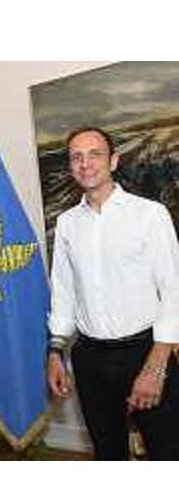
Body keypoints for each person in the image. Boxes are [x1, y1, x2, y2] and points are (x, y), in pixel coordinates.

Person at [47, 126, 179, 460]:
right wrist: (56, 350)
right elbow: (63, 290)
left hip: (145, 352)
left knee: (167, 451)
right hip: (89, 358)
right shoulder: (67, 223)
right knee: (108, 454)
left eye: (95, 154)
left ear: (114, 161)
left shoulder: (150, 215)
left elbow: (173, 290)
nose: (85, 163)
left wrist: (155, 368)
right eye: (76, 157)